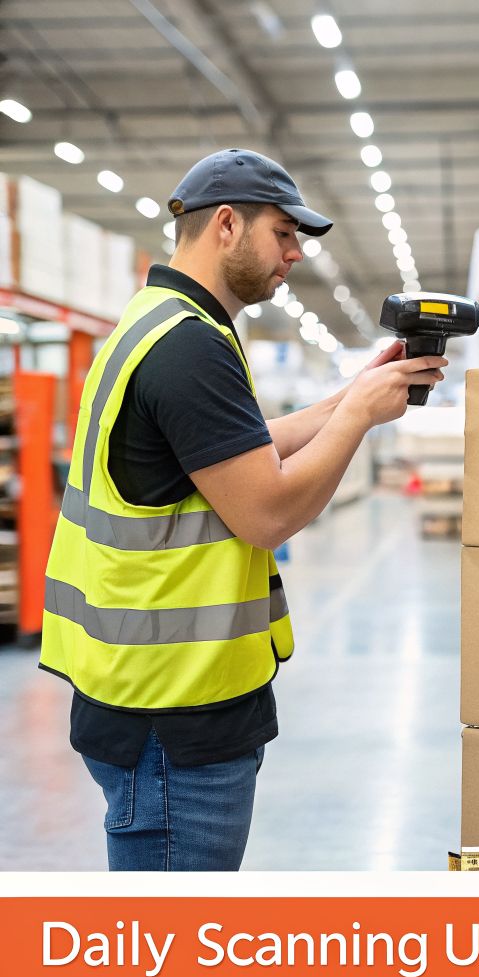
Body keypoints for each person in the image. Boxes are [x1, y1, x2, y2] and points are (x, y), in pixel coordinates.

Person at [39, 148, 448, 871]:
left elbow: (236, 450)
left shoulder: (158, 321)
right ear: (227, 224)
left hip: (149, 702)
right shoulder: (190, 346)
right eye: (283, 234)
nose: (294, 255)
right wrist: (354, 419)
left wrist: (347, 397)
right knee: (171, 965)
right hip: (174, 718)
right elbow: (267, 513)